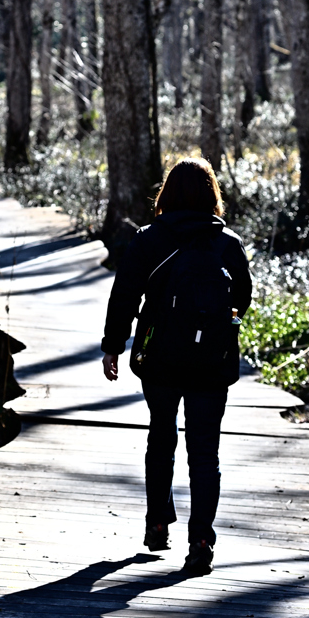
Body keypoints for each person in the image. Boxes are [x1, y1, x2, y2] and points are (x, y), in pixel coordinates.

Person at [101, 158, 252, 575]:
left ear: (166, 194)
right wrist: (217, 329)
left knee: (161, 436)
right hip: (211, 363)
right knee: (205, 451)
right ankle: (201, 539)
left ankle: (156, 523)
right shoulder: (228, 244)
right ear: (211, 195)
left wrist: (113, 346)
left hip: (160, 359)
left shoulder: (149, 239)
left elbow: (125, 295)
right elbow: (242, 299)